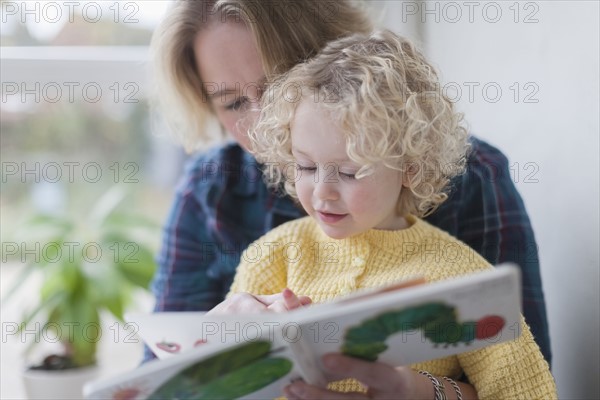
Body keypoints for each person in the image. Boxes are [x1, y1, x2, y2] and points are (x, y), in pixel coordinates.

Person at [149, 0, 551, 366]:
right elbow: (154, 378)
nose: (262, 123)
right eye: (233, 103)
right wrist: (209, 346)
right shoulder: (207, 191)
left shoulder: (473, 175)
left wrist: (423, 393)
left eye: (279, 87)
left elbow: (523, 373)